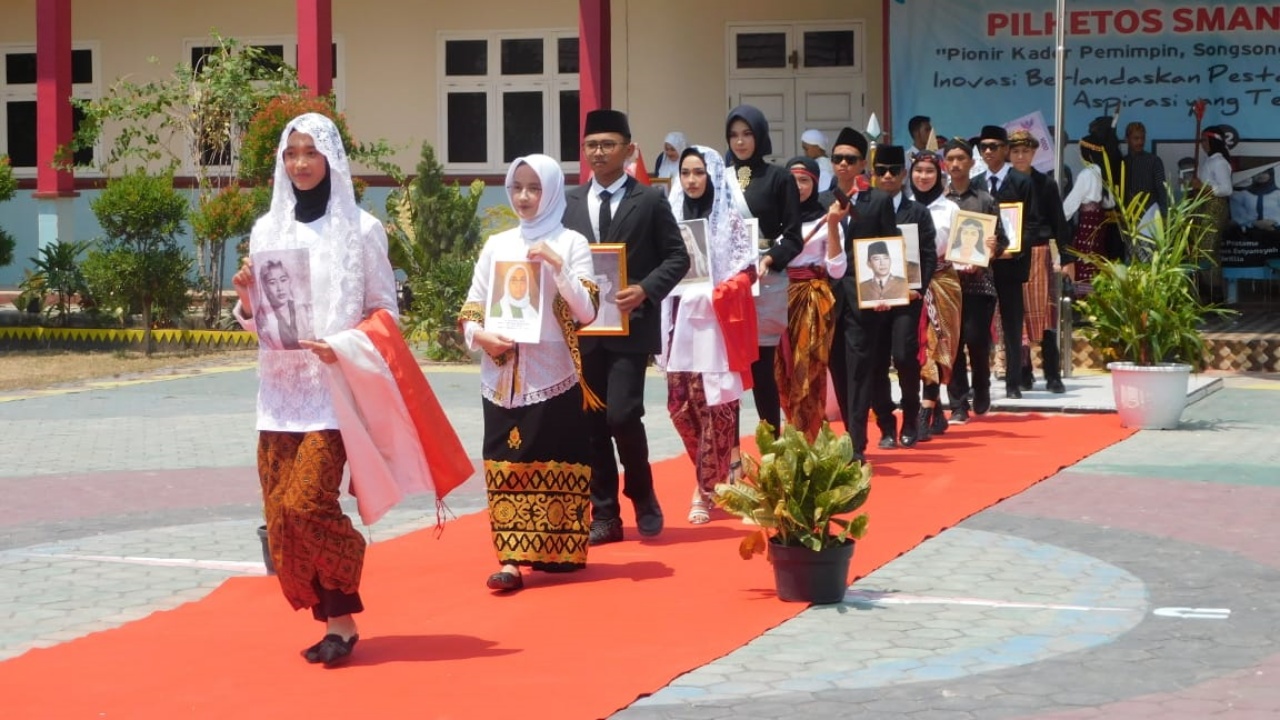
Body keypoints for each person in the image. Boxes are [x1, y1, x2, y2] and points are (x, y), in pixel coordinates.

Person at [231, 112, 399, 667]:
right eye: (291, 153)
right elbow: (258, 321)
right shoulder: (267, 229)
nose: (300, 163)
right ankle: (337, 624)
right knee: (281, 513)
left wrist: (342, 344)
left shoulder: (362, 230)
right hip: (279, 393)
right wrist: (249, 300)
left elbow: (384, 313)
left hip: (333, 390)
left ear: (332, 158)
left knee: (308, 503)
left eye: (311, 152)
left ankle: (349, 568)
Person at [459, 153, 599, 592]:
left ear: (553, 191)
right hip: (501, 374)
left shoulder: (571, 242)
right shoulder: (496, 245)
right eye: (517, 186)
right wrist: (480, 337)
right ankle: (512, 559)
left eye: (534, 188)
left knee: (553, 456)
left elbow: (588, 311)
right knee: (507, 460)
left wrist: (557, 267)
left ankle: (555, 549)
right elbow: (472, 307)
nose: (524, 196)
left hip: (552, 371)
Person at [563, 109, 689, 546]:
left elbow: (678, 257)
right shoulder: (570, 202)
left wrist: (645, 289)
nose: (598, 153)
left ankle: (643, 492)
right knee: (591, 421)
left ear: (629, 149)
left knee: (622, 414)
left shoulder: (650, 200)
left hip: (630, 327)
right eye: (591, 145)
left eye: (607, 144)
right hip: (584, 331)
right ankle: (605, 514)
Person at [661, 146, 757, 524]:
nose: (691, 180)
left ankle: (703, 489)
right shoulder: (670, 218)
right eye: (685, 173)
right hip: (680, 326)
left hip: (716, 329)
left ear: (712, 175)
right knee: (680, 409)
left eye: (698, 172)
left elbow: (748, 271)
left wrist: (720, 290)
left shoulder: (729, 220)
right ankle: (716, 477)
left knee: (715, 409)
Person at [725, 105, 804, 441]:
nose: (740, 142)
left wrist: (771, 259)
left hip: (764, 278)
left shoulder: (778, 177)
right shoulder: (718, 177)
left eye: (747, 134)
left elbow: (794, 235)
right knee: (726, 370)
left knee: (761, 368)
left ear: (761, 136)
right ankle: (728, 453)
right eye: (733, 135)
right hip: (727, 282)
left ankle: (772, 446)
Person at [821, 127, 899, 460]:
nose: (843, 165)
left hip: (865, 297)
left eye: (849, 159)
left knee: (859, 367)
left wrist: (890, 292)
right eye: (837, 158)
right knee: (837, 367)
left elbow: (888, 246)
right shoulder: (822, 199)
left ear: (860, 164)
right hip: (827, 297)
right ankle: (848, 435)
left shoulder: (877, 200)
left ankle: (856, 442)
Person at [867, 145, 936, 449]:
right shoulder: (863, 207)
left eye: (893, 170)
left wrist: (918, 288)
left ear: (903, 174)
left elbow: (928, 254)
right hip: (872, 298)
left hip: (907, 297)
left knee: (906, 357)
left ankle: (910, 416)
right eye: (881, 170)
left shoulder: (917, 212)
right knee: (874, 362)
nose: (887, 176)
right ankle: (885, 422)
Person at [776, 156, 848, 442]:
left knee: (809, 368)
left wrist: (832, 225)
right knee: (780, 369)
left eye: (804, 180)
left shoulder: (824, 216)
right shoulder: (775, 218)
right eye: (792, 180)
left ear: (815, 183)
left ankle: (810, 435)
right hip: (779, 298)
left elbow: (838, 268)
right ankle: (792, 430)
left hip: (811, 299)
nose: (798, 187)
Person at [943, 137, 1007, 424]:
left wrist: (994, 247)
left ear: (971, 162)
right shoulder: (939, 201)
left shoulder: (985, 200)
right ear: (945, 164)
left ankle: (981, 387)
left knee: (977, 341)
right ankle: (957, 402)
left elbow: (1003, 240)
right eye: (951, 158)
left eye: (961, 158)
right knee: (952, 345)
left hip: (979, 283)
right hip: (948, 283)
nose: (956, 164)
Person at [974, 124, 1037, 401]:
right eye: (983, 147)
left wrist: (1014, 250)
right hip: (980, 266)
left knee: (1012, 324)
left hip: (1010, 263)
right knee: (978, 325)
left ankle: (1013, 381)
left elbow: (1032, 224)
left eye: (994, 146)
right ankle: (981, 382)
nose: (988, 151)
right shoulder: (975, 183)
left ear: (1005, 149)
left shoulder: (1022, 181)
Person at [1008, 129, 1069, 394]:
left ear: (1034, 153)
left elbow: (1059, 222)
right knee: (1014, 317)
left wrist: (1066, 258)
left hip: (1038, 252)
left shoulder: (1046, 184)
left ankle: (1053, 374)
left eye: (1025, 151)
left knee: (1045, 316)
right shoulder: (1003, 183)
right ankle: (1023, 371)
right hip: (1009, 255)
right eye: (1016, 151)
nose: (1021, 156)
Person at [909, 149, 962, 440]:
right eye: (918, 171)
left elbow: (962, 247)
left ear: (939, 174)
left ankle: (926, 408)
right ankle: (933, 409)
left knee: (937, 343)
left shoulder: (950, 209)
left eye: (930, 171)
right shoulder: (903, 206)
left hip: (943, 281)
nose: (924, 176)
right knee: (914, 345)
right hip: (911, 284)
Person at [1062, 134, 1113, 290]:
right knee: (1097, 256)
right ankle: (1098, 297)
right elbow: (1110, 202)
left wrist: (1058, 217)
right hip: (1099, 221)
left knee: (1085, 258)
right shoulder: (1103, 172)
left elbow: (1072, 202)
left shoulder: (1087, 174)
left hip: (1087, 224)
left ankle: (1086, 297)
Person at [1121, 121, 1169, 235]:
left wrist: (1164, 215)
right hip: (1128, 218)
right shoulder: (1122, 162)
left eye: (1142, 138)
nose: (1140, 142)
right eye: (1136, 138)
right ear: (1127, 140)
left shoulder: (1154, 161)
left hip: (1150, 217)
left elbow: (1162, 189)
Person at [257, 259, 315, 350]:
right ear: (265, 287)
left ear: (289, 281)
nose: (280, 288)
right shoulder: (263, 317)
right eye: (272, 283)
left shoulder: (306, 310)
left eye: (283, 280)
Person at [801, 128, 835, 193]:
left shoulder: (824, 169)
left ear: (818, 147)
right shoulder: (820, 163)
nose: (805, 153)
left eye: (806, 149)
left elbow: (823, 193)